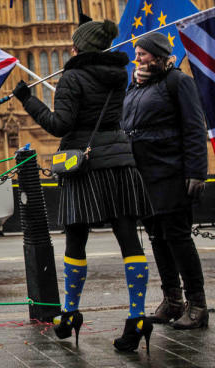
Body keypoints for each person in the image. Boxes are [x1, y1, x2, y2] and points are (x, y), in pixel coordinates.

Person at [12, 19, 154, 353]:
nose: (71, 48)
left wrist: (27, 99)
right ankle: (137, 319)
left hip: (85, 167)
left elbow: (58, 125)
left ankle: (70, 314)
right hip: (119, 163)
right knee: (129, 239)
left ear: (80, 48)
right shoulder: (119, 76)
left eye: (74, 44)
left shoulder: (72, 78)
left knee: (76, 241)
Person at [122, 32, 209, 330]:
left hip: (171, 173)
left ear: (158, 56)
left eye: (143, 54)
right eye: (136, 54)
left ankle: (197, 305)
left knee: (179, 239)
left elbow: (195, 128)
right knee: (158, 239)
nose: (138, 58)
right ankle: (172, 301)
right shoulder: (135, 87)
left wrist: (197, 171)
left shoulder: (178, 82)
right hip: (144, 176)